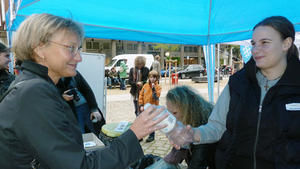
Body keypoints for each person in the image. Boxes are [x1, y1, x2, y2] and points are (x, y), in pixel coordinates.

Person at [0, 13, 168, 169]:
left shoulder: (33, 84)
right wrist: (134, 133)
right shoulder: (34, 91)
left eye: (78, 48)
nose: (79, 57)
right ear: (39, 49)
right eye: (70, 48)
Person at [170, 16, 300, 169]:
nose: (255, 50)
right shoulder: (238, 83)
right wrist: (193, 135)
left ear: (286, 43)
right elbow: (216, 127)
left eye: (265, 43)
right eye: (253, 43)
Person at [138, 86, 214, 169]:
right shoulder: (189, 121)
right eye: (169, 112)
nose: (171, 118)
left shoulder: (203, 129)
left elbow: (197, 163)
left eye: (174, 113)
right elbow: (174, 157)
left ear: (188, 109)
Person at [57, 71, 105, 135]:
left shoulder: (74, 73)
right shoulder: (51, 77)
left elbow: (87, 90)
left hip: (86, 107)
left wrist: (94, 109)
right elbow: (50, 95)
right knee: (79, 134)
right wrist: (61, 97)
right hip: (72, 112)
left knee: (96, 131)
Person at [139, 70, 162, 142]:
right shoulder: (145, 86)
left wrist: (153, 89)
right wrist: (141, 105)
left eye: (154, 78)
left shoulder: (158, 87)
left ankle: (151, 136)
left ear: (157, 78)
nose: (152, 79)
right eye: (151, 77)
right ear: (149, 77)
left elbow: (156, 97)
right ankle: (141, 136)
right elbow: (141, 95)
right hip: (145, 108)